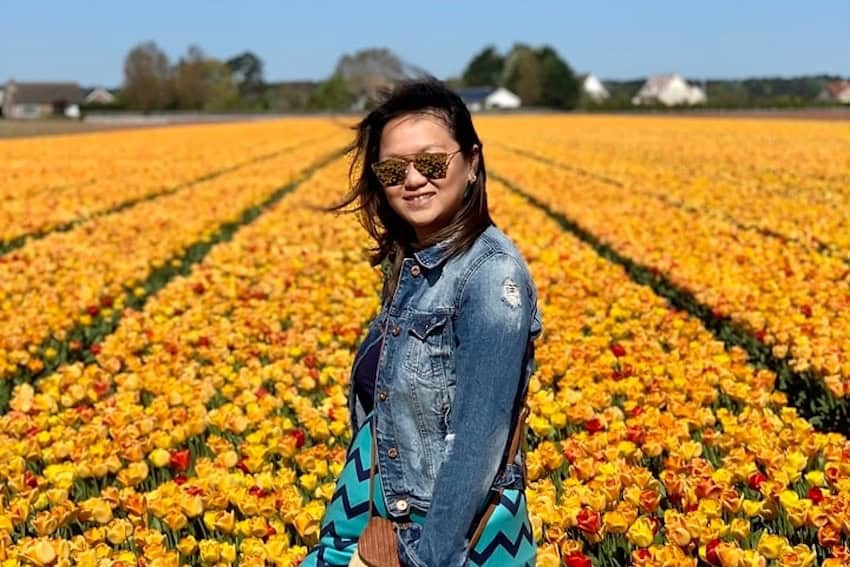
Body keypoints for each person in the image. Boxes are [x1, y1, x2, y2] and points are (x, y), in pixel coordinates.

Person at [300, 78, 543, 567]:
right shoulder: (412, 263)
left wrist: (427, 558)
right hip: (377, 520)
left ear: (472, 162)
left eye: (432, 163)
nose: (413, 180)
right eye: (393, 170)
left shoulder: (490, 275)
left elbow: (478, 441)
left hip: (435, 542)